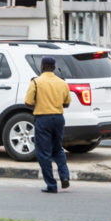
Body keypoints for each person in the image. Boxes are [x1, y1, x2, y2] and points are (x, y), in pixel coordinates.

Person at [24, 56, 72, 193]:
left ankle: (51, 185)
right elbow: (67, 103)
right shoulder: (62, 83)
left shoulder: (36, 82)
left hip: (43, 119)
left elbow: (28, 102)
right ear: (54, 67)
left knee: (43, 153)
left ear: (42, 67)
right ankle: (64, 176)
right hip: (58, 118)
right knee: (58, 149)